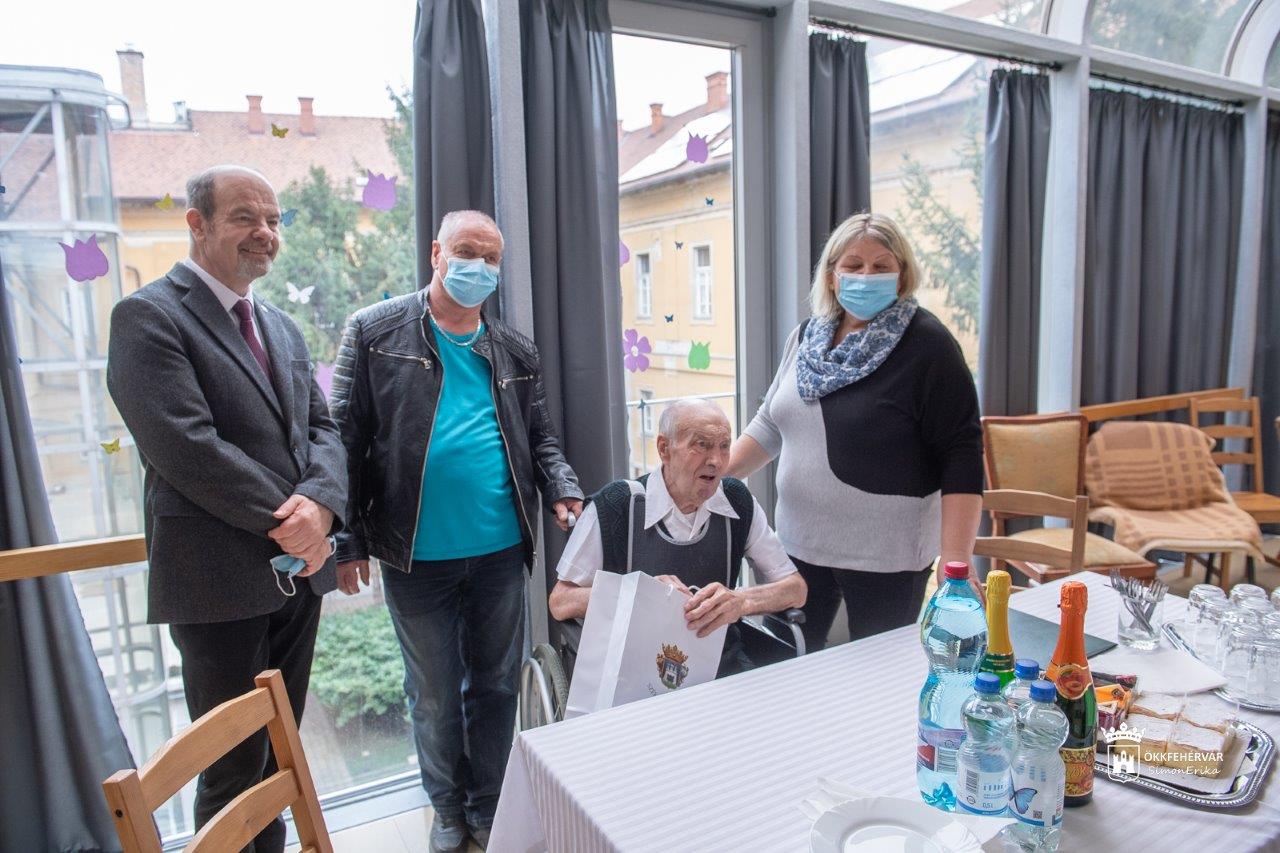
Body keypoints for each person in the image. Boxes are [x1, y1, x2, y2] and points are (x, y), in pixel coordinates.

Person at [106, 165, 346, 851]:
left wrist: (322, 510)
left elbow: (323, 430)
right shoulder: (149, 317)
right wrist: (296, 522)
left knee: (279, 755)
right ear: (197, 223)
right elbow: (186, 446)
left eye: (272, 219)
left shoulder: (281, 327)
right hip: (217, 583)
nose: (264, 232)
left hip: (297, 577)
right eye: (244, 216)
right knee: (232, 769)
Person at [329, 210, 583, 852]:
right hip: (415, 557)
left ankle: (488, 802)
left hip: (500, 551)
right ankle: (446, 806)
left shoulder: (515, 349)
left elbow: (541, 438)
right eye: (468, 252)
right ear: (437, 254)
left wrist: (562, 486)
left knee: (495, 687)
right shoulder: (374, 332)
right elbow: (342, 442)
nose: (481, 267)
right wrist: (346, 540)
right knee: (435, 694)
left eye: (492, 258)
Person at [726, 212, 982, 651]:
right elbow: (769, 423)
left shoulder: (928, 344)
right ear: (832, 275)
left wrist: (956, 559)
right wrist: (709, 479)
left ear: (902, 275)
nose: (866, 276)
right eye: (854, 265)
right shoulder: (806, 337)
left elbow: (961, 454)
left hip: (886, 557)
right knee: (780, 662)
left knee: (875, 674)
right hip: (796, 545)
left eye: (881, 266)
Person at [549, 398, 806, 675]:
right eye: (701, 445)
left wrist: (740, 601)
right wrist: (634, 593)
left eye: (724, 446)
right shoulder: (617, 505)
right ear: (664, 449)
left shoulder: (737, 502)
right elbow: (560, 601)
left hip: (719, 666)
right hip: (633, 673)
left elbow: (795, 589)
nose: (716, 460)